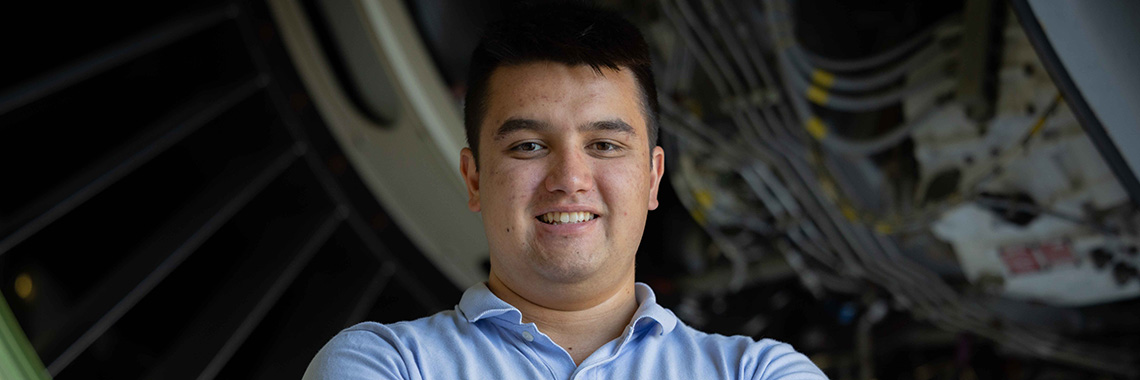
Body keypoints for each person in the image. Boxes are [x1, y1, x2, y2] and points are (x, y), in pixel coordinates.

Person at [303, 3, 827, 379]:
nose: (570, 178)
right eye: (529, 146)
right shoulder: (382, 364)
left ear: (652, 177)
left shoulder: (763, 371)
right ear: (475, 178)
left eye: (604, 145)